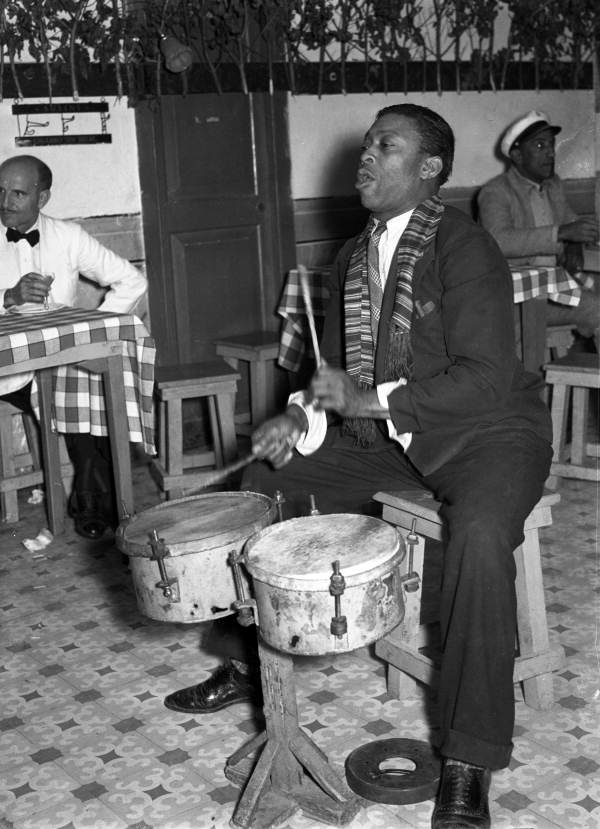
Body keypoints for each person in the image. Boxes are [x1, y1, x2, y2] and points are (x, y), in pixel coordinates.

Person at [165, 104, 553, 828]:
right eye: (366, 144)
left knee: (476, 534)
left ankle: (469, 759)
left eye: (386, 145)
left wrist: (364, 397)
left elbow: (486, 377)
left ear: (430, 168)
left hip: (490, 434)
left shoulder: (466, 248)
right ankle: (245, 659)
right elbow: (334, 384)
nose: (365, 157)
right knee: (265, 485)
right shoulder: (350, 259)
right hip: (393, 440)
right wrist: (300, 418)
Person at [0, 155, 147, 539]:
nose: (5, 201)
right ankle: (105, 503)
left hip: (58, 362)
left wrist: (95, 329)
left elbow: (131, 281)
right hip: (8, 369)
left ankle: (93, 500)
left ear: (43, 197)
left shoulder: (68, 236)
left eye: (17, 192)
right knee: (69, 391)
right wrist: (7, 297)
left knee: (93, 387)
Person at [477, 110, 599, 347]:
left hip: (555, 289)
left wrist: (576, 240)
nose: (551, 153)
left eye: (552, 145)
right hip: (515, 301)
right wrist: (561, 233)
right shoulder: (495, 192)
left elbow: (572, 223)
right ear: (517, 155)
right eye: (540, 146)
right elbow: (498, 241)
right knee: (597, 308)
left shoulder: (554, 186)